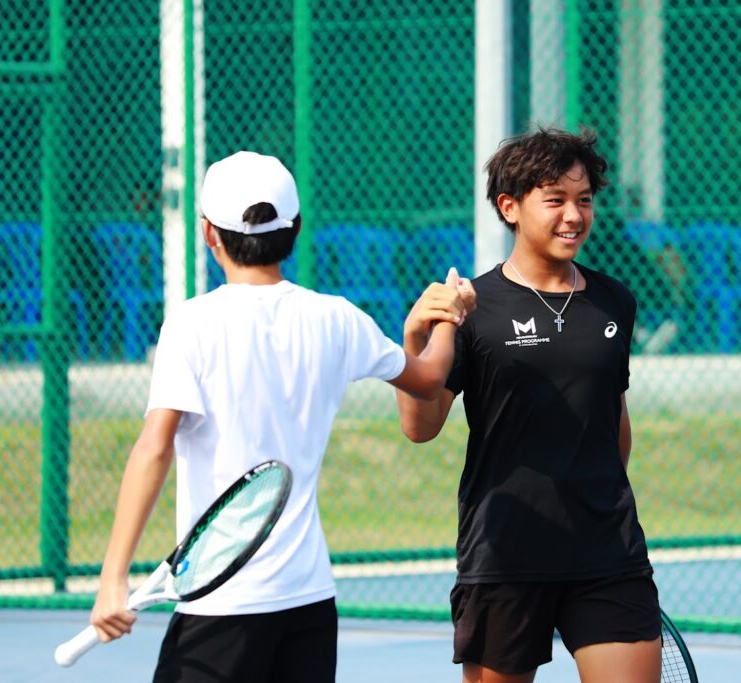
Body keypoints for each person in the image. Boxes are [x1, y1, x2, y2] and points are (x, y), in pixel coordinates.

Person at [88, 150, 474, 682]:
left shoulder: (190, 324)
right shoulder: (337, 318)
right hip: (308, 605)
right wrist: (450, 314)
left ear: (208, 233)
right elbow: (429, 378)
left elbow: (155, 446)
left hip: (220, 609)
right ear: (296, 228)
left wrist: (113, 577)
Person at [397, 129, 662, 683]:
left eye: (584, 200)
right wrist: (415, 339)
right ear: (509, 207)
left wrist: (595, 497)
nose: (574, 216)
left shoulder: (616, 301)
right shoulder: (473, 308)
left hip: (608, 555)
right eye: (556, 200)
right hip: (505, 556)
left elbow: (614, 419)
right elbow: (420, 427)